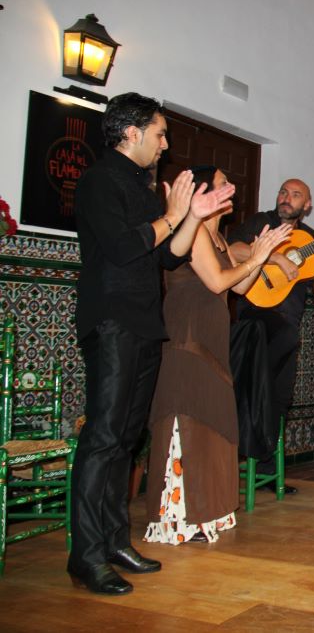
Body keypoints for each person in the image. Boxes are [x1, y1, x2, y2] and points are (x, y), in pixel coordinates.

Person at [70, 93, 234, 595]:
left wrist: (189, 217)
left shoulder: (143, 186)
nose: (166, 144)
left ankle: (116, 539)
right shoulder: (99, 181)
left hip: (144, 324)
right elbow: (123, 248)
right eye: (160, 134)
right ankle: (86, 554)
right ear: (133, 132)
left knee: (125, 440)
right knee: (102, 437)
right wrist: (174, 214)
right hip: (112, 320)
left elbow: (166, 257)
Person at [144, 166, 291, 545]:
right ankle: (179, 517)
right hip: (187, 341)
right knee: (189, 423)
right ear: (204, 193)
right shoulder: (191, 236)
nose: (233, 186)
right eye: (225, 182)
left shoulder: (221, 240)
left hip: (213, 343)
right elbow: (216, 282)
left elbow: (240, 286)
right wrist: (256, 259)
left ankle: (207, 513)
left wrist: (261, 255)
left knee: (214, 426)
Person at [227, 179, 314, 494]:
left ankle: (264, 465)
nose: (287, 198)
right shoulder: (260, 222)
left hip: (288, 324)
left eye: (296, 195)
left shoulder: (308, 239)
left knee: (280, 397)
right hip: (255, 317)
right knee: (250, 391)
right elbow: (234, 249)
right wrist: (274, 257)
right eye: (283, 192)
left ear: (307, 206)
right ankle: (230, 457)